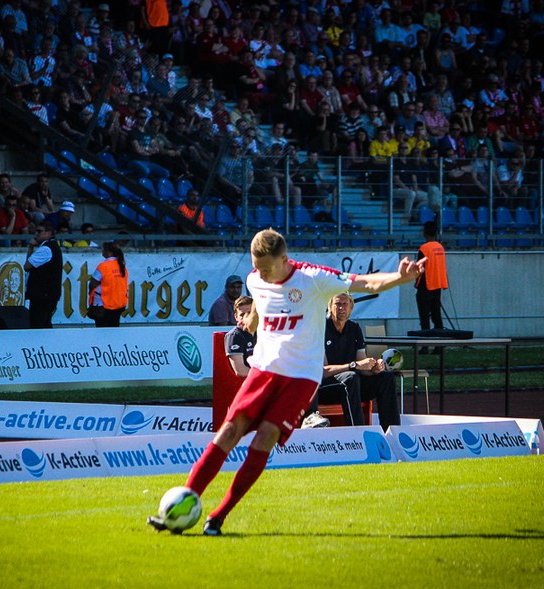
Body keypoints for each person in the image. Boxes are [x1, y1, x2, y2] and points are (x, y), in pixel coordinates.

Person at [148, 228, 425, 536]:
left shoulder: (313, 278)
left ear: (283, 259)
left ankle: (218, 517)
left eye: (267, 268)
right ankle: (184, 500)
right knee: (228, 431)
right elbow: (257, 305)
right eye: (257, 268)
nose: (261, 275)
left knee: (264, 438)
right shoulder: (256, 279)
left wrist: (400, 277)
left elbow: (364, 282)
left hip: (300, 378)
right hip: (264, 371)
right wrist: (251, 321)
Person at [309, 292, 399, 429]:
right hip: (325, 388)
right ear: (330, 306)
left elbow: (362, 366)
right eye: (337, 304)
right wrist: (353, 365)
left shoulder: (354, 328)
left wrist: (373, 369)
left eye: (345, 304)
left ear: (351, 308)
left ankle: (391, 432)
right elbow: (323, 371)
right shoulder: (320, 329)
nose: (341, 308)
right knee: (351, 377)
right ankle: (358, 433)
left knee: (386, 378)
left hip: (353, 384)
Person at [415, 220, 449, 354]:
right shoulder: (440, 247)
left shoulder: (424, 248)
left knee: (424, 318)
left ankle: (425, 346)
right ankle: (439, 346)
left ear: (425, 232)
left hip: (426, 286)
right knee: (437, 317)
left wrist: (417, 283)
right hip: (437, 285)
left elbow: (419, 269)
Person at [23, 221, 63, 329]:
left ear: (49, 233)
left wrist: (30, 247)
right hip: (48, 293)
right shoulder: (53, 246)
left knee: (38, 323)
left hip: (42, 294)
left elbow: (27, 266)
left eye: (40, 231)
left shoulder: (46, 249)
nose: (36, 234)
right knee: (44, 323)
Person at [87, 241, 128, 328]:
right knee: (114, 328)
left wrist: (91, 294)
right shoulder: (122, 266)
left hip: (103, 304)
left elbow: (93, 283)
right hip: (118, 304)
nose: (102, 251)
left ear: (109, 252)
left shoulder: (103, 266)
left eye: (103, 250)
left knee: (101, 330)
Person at [224, 295, 256, 378]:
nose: (246, 317)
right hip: (247, 382)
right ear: (236, 317)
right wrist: (267, 377)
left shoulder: (262, 332)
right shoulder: (235, 336)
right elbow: (240, 371)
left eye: (249, 313)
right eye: (242, 315)